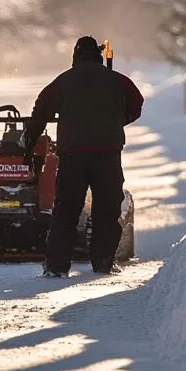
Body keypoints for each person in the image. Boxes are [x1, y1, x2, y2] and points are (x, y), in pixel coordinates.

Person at [22, 35, 144, 276]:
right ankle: (103, 263)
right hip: (108, 156)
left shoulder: (64, 81)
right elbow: (136, 104)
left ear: (75, 56)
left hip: (72, 156)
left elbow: (41, 108)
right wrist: (118, 120)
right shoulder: (118, 80)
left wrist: (28, 141)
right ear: (99, 56)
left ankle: (56, 267)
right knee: (106, 210)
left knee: (66, 210)